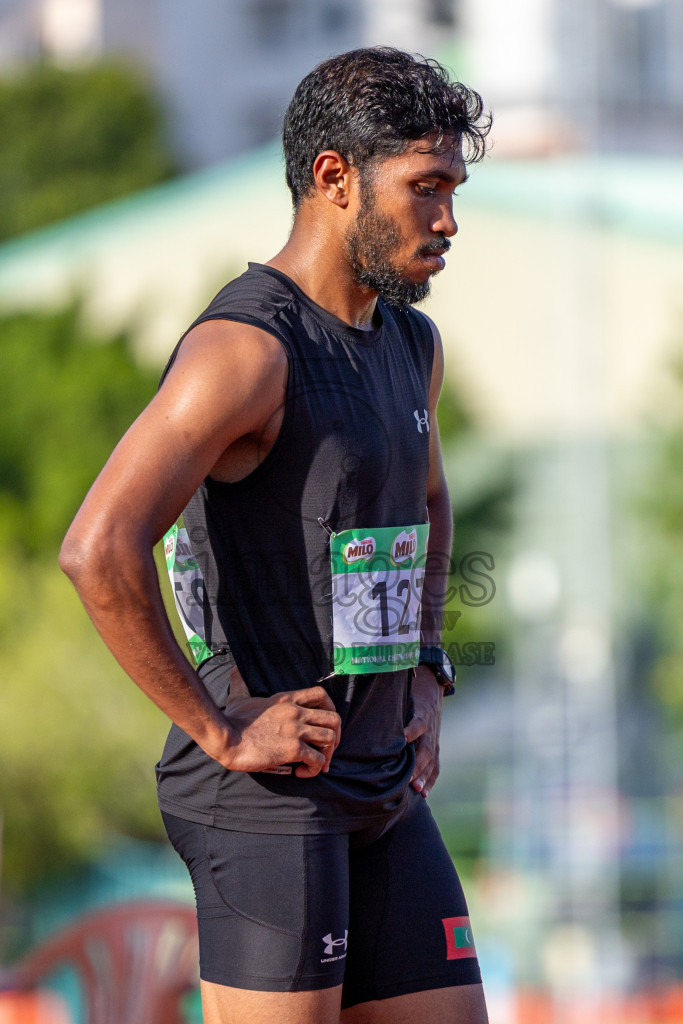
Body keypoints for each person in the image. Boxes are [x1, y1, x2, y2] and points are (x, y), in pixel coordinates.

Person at [60, 46, 491, 1024]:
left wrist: (424, 663)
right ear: (333, 177)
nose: (448, 219)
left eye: (454, 189)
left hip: (382, 782)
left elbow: (428, 500)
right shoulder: (244, 351)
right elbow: (99, 547)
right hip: (266, 797)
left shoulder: (409, 342)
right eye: (424, 187)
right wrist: (222, 727)